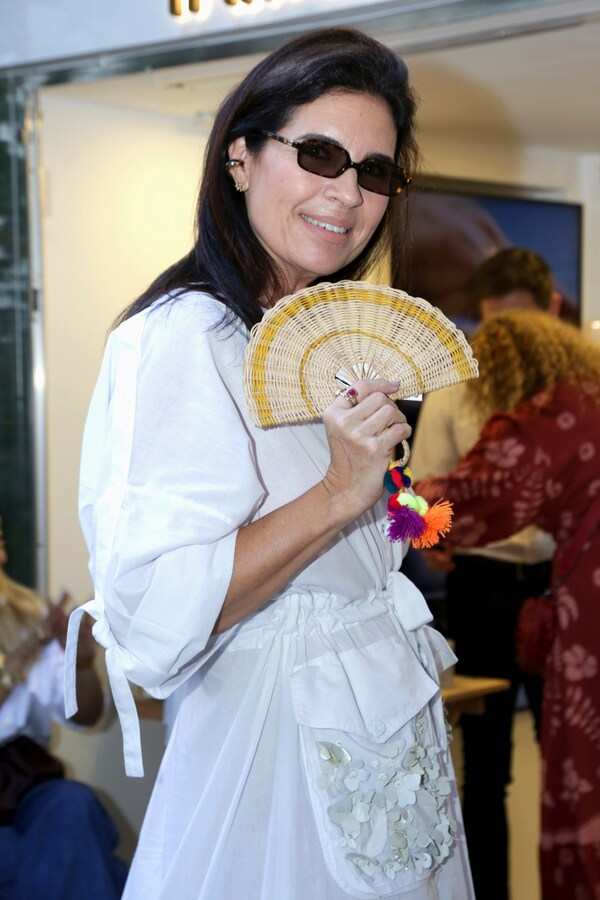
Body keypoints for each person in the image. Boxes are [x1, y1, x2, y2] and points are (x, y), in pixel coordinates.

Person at [68, 27, 475, 900]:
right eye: (319, 153)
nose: (348, 193)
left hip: (380, 744)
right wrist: (337, 493)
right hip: (271, 756)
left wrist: (377, 497)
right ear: (241, 156)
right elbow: (155, 617)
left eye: (375, 171)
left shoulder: (326, 340)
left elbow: (367, 542)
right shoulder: (186, 336)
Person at [414, 311, 600, 900]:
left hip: (585, 605)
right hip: (528, 585)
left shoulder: (546, 422)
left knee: (568, 767)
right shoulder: (589, 398)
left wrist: (391, 503)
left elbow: (468, 498)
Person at [0, 515, 128, 899]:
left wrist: (83, 663)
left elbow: (85, 716)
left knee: (73, 809)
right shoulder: (35, 633)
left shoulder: (28, 613)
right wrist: (23, 655)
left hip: (21, 779)